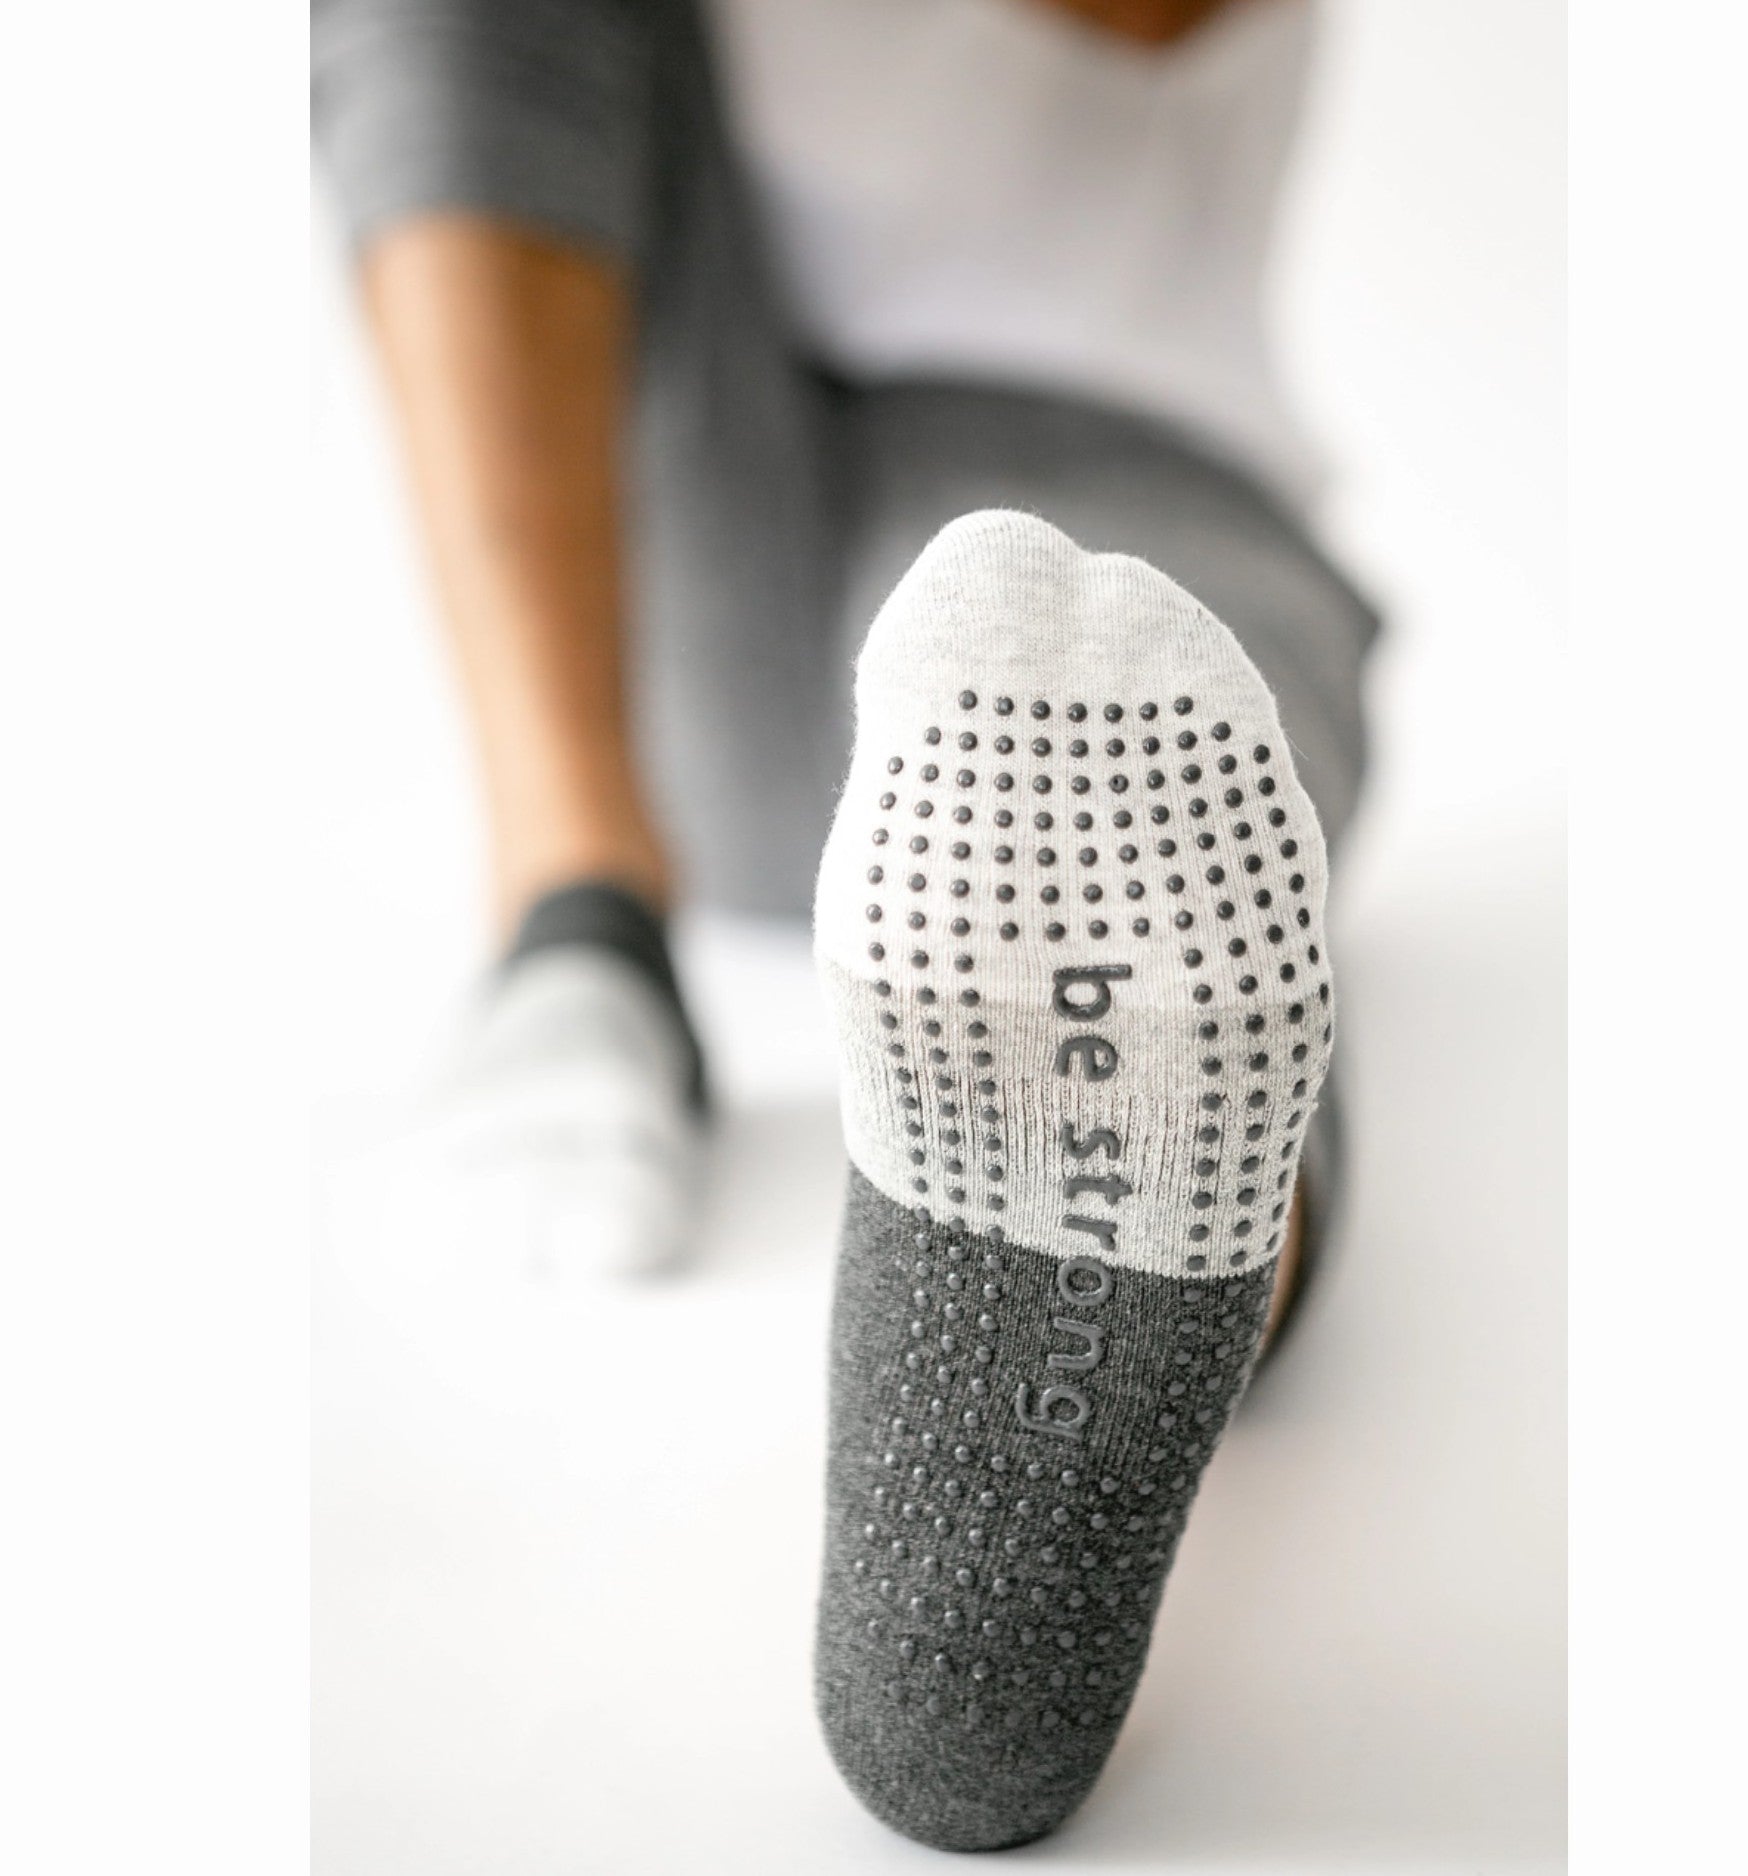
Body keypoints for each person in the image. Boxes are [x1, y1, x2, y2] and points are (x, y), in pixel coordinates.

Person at [314, 0, 1378, 1847]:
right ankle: (581, 926)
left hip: (1110, 447)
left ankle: (1183, 1244)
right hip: (687, 523)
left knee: (1147, 803)